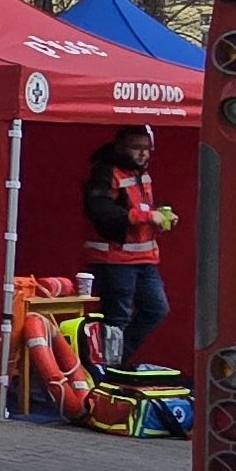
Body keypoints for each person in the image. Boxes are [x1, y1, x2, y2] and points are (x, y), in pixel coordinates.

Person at [83, 124, 177, 371]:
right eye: (136, 148)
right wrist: (145, 217)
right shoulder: (105, 171)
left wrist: (159, 217)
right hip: (113, 258)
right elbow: (100, 210)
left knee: (156, 309)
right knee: (116, 319)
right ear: (120, 147)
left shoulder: (140, 173)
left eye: (147, 148)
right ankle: (106, 371)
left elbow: (138, 208)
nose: (143, 154)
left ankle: (113, 363)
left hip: (144, 258)